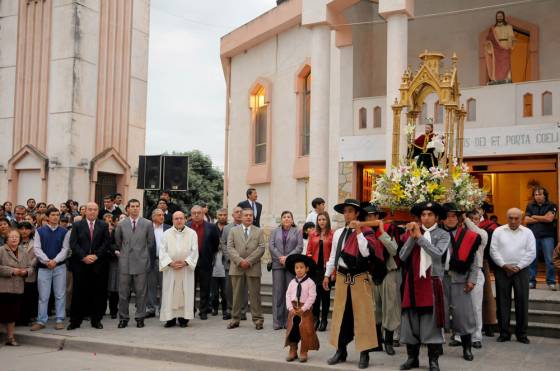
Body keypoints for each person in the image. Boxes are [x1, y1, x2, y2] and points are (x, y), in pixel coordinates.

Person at [322, 199, 382, 369]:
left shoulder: (367, 231)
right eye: (345, 211)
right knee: (341, 317)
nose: (347, 214)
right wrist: (327, 275)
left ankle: (365, 354)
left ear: (357, 213)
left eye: (350, 211)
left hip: (359, 279)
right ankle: (341, 351)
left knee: (363, 318)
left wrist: (358, 232)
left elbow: (366, 253)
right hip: (341, 279)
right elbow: (333, 256)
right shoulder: (339, 233)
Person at [399, 202, 449, 371]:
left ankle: (433, 361)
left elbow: (437, 254)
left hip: (432, 281)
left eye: (429, 214)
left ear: (436, 217)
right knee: (410, 322)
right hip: (412, 282)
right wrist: (413, 237)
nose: (426, 218)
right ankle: (412, 358)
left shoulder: (443, 234)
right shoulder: (411, 232)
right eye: (423, 215)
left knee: (431, 323)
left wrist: (419, 237)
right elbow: (402, 255)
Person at [441, 203, 480, 362]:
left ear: (458, 218)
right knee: (438, 315)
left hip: (460, 281)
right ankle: (436, 348)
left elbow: (474, 262)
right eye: (447, 216)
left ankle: (467, 348)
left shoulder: (468, 236)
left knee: (463, 317)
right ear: (442, 219)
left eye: (453, 216)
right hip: (440, 280)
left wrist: (472, 280)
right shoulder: (437, 235)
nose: (450, 219)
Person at [490, 208, 536, 344]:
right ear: (506, 217)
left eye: (516, 218)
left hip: (521, 270)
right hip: (502, 270)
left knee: (522, 301)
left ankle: (521, 333)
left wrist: (518, 267)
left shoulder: (528, 233)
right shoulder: (498, 231)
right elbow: (493, 250)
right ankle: (504, 333)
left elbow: (531, 252)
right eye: (510, 218)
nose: (513, 221)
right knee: (502, 302)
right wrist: (504, 265)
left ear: (521, 219)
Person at [363, 204, 401, 356]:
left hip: (388, 271)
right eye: (367, 217)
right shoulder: (364, 232)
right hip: (372, 273)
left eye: (372, 216)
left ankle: (389, 343)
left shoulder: (389, 229)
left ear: (378, 217)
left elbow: (393, 250)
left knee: (390, 308)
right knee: (375, 309)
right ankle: (377, 342)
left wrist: (381, 232)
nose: (369, 219)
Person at [68, 202, 110, 330]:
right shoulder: (77, 225)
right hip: (81, 264)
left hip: (98, 264)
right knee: (78, 293)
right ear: (85, 211)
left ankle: (96, 320)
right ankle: (75, 321)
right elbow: (73, 244)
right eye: (90, 209)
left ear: (98, 211)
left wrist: (96, 256)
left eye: (95, 210)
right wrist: (84, 257)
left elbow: (106, 243)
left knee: (97, 293)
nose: (92, 212)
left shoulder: (103, 225)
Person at [114, 199, 156, 329]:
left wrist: (141, 254)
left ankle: (140, 317)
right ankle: (123, 318)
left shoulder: (148, 223)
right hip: (125, 263)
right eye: (132, 206)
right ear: (128, 208)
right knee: (123, 293)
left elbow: (150, 243)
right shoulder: (121, 224)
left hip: (141, 262)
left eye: (137, 206)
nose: (135, 209)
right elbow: (118, 242)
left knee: (141, 293)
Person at [31, 207, 70, 331]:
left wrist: (55, 261)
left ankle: (59, 319)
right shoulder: (40, 231)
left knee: (60, 294)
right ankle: (41, 320)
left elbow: (65, 249)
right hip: (44, 267)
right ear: (47, 217)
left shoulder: (64, 231)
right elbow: (37, 248)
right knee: (43, 295)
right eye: (52, 214)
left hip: (59, 267)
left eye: (57, 215)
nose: (55, 217)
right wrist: (47, 261)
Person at [227, 208, 265, 330]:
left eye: (250, 215)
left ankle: (258, 320)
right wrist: (240, 261)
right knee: (236, 295)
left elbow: (261, 248)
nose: (248, 217)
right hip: (237, 267)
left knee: (255, 295)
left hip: (253, 267)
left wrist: (248, 261)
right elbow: (230, 247)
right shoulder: (233, 230)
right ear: (241, 217)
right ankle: (235, 319)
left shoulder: (258, 231)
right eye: (246, 215)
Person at [159, 211, 198, 328]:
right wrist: (170, 263)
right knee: (169, 293)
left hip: (185, 270)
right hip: (171, 270)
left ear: (185, 219)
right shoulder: (166, 234)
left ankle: (183, 318)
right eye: (176, 219)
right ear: (172, 220)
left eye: (181, 218)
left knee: (185, 292)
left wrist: (186, 262)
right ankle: (169, 318)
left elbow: (194, 251)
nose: (179, 220)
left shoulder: (192, 233)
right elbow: (162, 251)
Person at [269, 211, 303, 330]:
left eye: (289, 217)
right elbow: (271, 246)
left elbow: (299, 247)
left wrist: (288, 257)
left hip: (291, 265)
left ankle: (289, 321)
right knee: (278, 293)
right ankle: (277, 322)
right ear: (281, 219)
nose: (287, 219)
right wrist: (280, 257)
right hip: (278, 264)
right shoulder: (274, 231)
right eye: (284, 217)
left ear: (292, 220)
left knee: (290, 293)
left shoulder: (297, 231)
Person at [284, 254, 319, 363]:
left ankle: (304, 350)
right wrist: (290, 308)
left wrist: (304, 308)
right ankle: (293, 349)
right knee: (293, 329)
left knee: (305, 330)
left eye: (301, 267)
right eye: (297, 268)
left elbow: (312, 297)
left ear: (307, 269)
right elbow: (288, 295)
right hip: (294, 309)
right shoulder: (292, 283)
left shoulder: (310, 283)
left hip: (305, 310)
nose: (299, 270)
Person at [187, 205, 220, 320]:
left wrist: (210, 255)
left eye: (199, 213)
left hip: (205, 261)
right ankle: (190, 310)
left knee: (205, 288)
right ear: (191, 214)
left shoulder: (211, 227)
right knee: (189, 287)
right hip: (189, 263)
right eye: (194, 213)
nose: (196, 215)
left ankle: (203, 311)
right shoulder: (186, 226)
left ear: (203, 214)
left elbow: (216, 244)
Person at [0, 230, 33, 346]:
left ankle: (10, 337)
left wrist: (26, 272)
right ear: (7, 239)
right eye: (11, 237)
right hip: (3, 288)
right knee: (2, 312)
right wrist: (12, 271)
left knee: (12, 314)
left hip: (17, 288)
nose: (14, 239)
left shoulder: (23, 252)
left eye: (16, 237)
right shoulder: (1, 250)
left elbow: (30, 267)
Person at [461, 210, 488, 349]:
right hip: (460, 273)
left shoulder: (482, 234)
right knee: (460, 307)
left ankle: (476, 337)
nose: (474, 221)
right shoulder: (460, 233)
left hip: (476, 272)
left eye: (476, 219)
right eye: (472, 219)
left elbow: (475, 230)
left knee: (475, 307)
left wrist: (466, 219)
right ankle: (459, 335)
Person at [525, 187, 557, 290]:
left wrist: (534, 216)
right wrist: (542, 217)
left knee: (549, 260)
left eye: (540, 194)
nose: (537, 196)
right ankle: (531, 281)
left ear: (545, 195)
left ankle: (551, 282)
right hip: (533, 236)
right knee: (532, 259)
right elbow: (526, 220)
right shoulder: (530, 205)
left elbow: (549, 219)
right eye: (535, 195)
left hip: (547, 236)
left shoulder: (551, 205)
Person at [306, 211, 334, 332]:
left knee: (326, 296)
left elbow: (334, 254)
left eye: (323, 219)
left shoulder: (332, 234)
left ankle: (324, 320)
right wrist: (310, 258)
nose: (321, 222)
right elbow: (308, 251)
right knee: (315, 296)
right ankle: (316, 318)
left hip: (327, 268)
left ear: (327, 220)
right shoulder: (313, 234)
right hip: (315, 269)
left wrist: (333, 271)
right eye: (319, 220)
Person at [475, 209, 499, 337]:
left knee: (487, 295)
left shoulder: (489, 226)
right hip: (468, 262)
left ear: (483, 212)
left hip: (483, 261)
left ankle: (489, 324)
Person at [146, 208, 171, 318]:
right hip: (151, 261)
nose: (162, 217)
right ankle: (150, 309)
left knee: (164, 286)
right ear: (153, 217)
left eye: (162, 215)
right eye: (159, 215)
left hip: (165, 262)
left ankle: (163, 309)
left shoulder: (168, 229)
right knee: (150, 286)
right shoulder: (148, 228)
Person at [222, 206, 245, 320]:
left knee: (243, 288)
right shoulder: (227, 228)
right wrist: (230, 258)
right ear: (232, 215)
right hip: (230, 263)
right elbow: (224, 244)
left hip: (244, 263)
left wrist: (243, 260)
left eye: (241, 212)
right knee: (229, 288)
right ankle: (230, 310)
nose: (239, 214)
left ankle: (242, 311)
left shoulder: (247, 227)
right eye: (237, 212)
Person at [484, 10, 515, 84]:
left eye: (501, 16)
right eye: (498, 16)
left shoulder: (508, 27)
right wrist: (488, 45)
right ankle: (495, 79)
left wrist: (509, 45)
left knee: (506, 64)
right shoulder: (494, 29)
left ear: (503, 17)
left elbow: (511, 37)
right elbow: (489, 40)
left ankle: (507, 78)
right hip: (496, 48)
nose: (499, 17)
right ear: (496, 18)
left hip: (505, 46)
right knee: (496, 64)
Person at [17, 222, 38, 326]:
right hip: (17, 272)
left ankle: (27, 318)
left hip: (30, 272)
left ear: (31, 230)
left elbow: (37, 256)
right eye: (21, 229)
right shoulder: (15, 242)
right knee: (18, 297)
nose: (24, 231)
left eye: (26, 229)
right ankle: (18, 318)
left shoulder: (36, 242)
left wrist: (28, 266)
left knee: (29, 295)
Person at [211, 208, 229, 318]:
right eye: (220, 215)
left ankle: (225, 309)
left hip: (225, 260)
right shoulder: (212, 227)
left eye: (224, 215)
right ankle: (214, 308)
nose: (222, 217)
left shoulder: (230, 228)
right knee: (214, 290)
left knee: (225, 290)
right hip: (214, 260)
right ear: (217, 216)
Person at [104, 214, 119, 319]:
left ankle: (114, 311)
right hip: (107, 263)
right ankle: (103, 310)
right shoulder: (109, 233)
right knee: (106, 288)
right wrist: (114, 251)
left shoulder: (118, 234)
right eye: (119, 219)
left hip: (118, 264)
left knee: (115, 289)